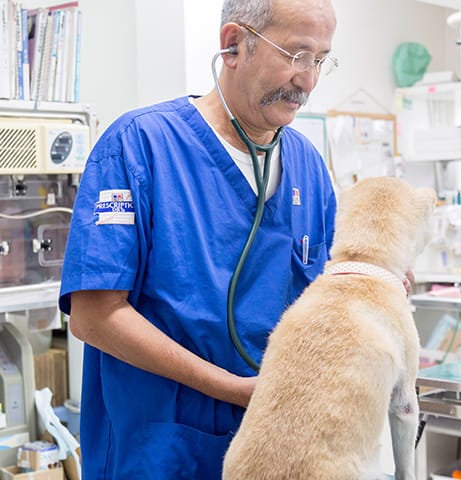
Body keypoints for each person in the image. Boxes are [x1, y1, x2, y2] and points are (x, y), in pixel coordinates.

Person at [58, 0, 338, 478]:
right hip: (160, 450)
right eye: (295, 55)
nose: (308, 80)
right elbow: (95, 316)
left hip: (277, 448)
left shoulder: (308, 165)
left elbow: (321, 297)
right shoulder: (139, 145)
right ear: (233, 45)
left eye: (320, 59)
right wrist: (235, 388)